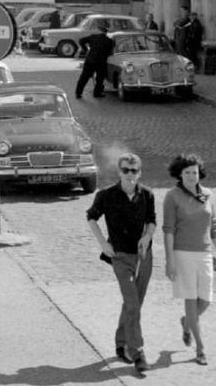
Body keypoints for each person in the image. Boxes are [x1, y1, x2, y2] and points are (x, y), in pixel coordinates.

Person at [85, 152, 157, 373]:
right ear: (119, 172)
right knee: (132, 303)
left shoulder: (147, 194)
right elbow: (91, 217)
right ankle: (138, 353)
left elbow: (152, 221)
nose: (129, 175)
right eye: (125, 170)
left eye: (134, 171)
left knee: (134, 303)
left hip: (144, 256)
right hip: (120, 257)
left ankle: (120, 342)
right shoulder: (106, 195)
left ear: (139, 173)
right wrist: (102, 244)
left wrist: (146, 237)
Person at [163, 153, 216, 367]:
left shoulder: (208, 195)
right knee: (190, 299)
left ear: (200, 174)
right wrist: (169, 261)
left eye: (194, 173)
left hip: (205, 253)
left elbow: (214, 226)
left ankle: (187, 322)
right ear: (179, 174)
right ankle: (200, 348)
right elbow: (168, 231)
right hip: (182, 254)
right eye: (187, 172)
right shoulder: (172, 196)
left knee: (205, 300)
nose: (191, 176)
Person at [75, 20, 114, 99]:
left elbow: (81, 41)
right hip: (101, 61)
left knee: (84, 77)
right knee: (100, 78)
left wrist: (85, 49)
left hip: (90, 59)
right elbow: (110, 52)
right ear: (106, 32)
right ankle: (97, 93)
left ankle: (78, 93)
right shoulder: (109, 41)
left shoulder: (93, 37)